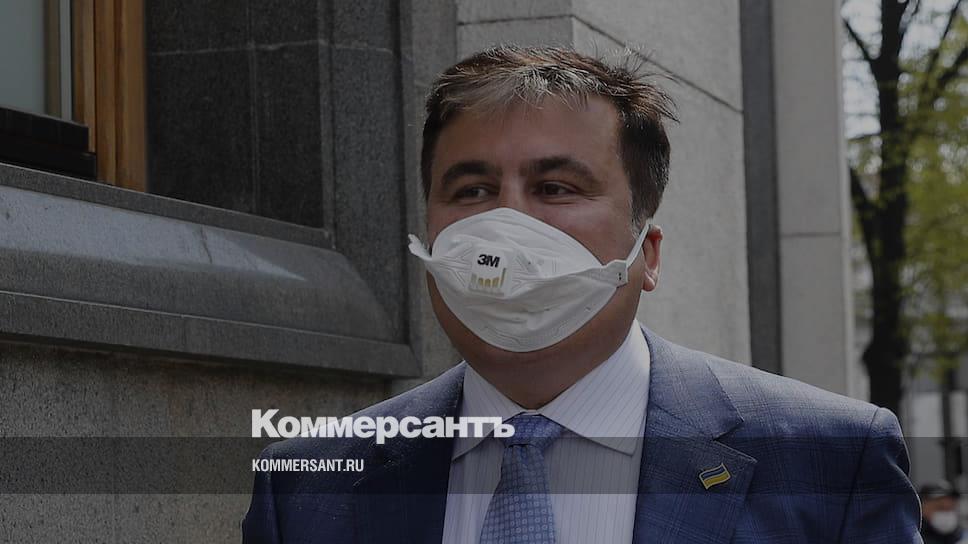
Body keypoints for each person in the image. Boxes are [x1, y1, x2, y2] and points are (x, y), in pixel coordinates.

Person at [242, 46, 922, 543]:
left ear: (646, 254)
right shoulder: (305, 486)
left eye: (556, 188)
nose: (505, 225)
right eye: (471, 190)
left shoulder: (831, 459)